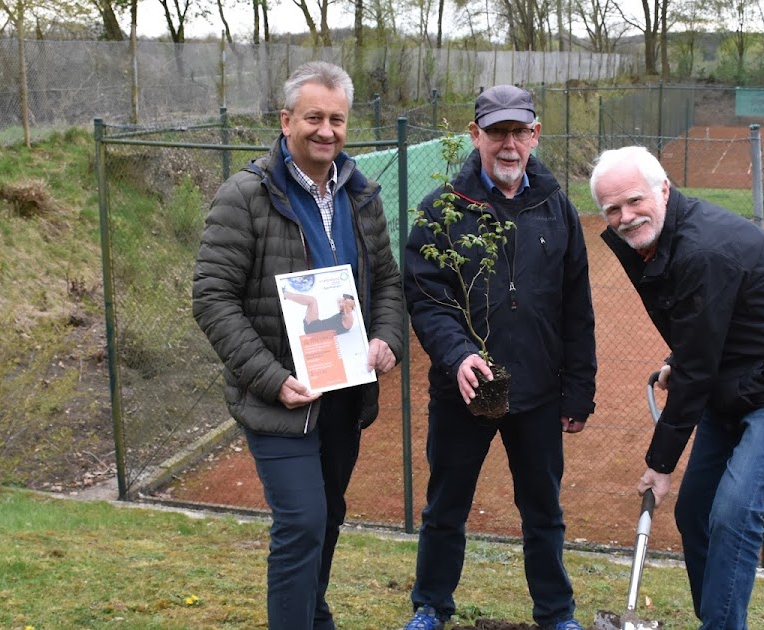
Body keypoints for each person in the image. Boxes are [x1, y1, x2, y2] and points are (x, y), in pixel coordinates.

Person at [192, 61, 404, 630]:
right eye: (313, 117)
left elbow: (386, 281)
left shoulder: (361, 195)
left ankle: (313, 614)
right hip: (280, 398)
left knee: (328, 515)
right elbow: (212, 298)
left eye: (337, 119)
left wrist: (386, 338)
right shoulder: (245, 195)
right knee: (303, 521)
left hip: (344, 392)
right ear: (287, 121)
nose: (326, 130)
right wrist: (269, 378)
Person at [589, 146, 764, 630]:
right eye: (611, 209)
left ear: (664, 189)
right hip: (731, 377)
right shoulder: (655, 240)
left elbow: (700, 364)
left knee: (734, 511)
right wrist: (675, 359)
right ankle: (718, 619)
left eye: (634, 200)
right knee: (695, 512)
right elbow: (702, 321)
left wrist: (660, 466)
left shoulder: (704, 247)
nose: (624, 217)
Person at [401, 85, 597, 630]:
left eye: (519, 132)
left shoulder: (556, 205)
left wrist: (579, 389)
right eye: (497, 133)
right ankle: (431, 606)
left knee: (544, 513)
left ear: (535, 135)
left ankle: (556, 614)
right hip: (464, 389)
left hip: (537, 390)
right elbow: (425, 296)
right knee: (445, 509)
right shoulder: (443, 209)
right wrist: (457, 354)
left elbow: (575, 306)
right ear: (476, 136)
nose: (508, 145)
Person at [283, 290, 359, 335]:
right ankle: (285, 293)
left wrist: (348, 301)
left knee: (312, 300)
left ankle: (285, 294)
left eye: (345, 300)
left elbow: (347, 304)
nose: (342, 301)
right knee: (312, 301)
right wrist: (345, 300)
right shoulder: (343, 313)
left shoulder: (348, 318)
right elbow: (338, 300)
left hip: (316, 330)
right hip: (316, 329)